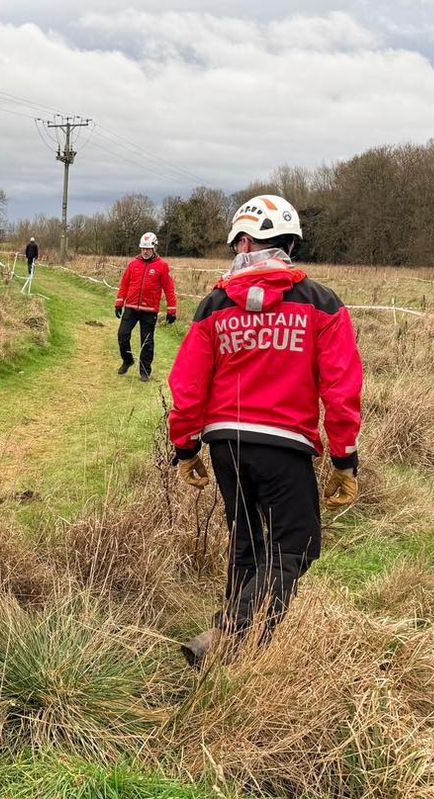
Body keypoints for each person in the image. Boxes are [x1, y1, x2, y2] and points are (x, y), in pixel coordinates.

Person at [169, 194, 362, 668]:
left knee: (250, 542)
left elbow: (188, 383)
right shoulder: (320, 302)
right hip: (286, 445)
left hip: (224, 444)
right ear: (288, 244)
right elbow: (341, 387)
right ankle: (230, 635)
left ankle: (229, 652)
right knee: (295, 545)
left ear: (246, 241)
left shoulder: (215, 304)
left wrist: (186, 447)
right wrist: (344, 459)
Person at [115, 231, 177, 383]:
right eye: (143, 248)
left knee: (147, 342)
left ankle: (145, 371)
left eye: (148, 248)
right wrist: (119, 302)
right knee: (122, 335)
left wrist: (171, 310)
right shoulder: (133, 264)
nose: (145, 251)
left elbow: (169, 289)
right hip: (130, 307)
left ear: (155, 248)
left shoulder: (162, 266)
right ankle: (128, 360)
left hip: (149, 311)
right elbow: (124, 284)